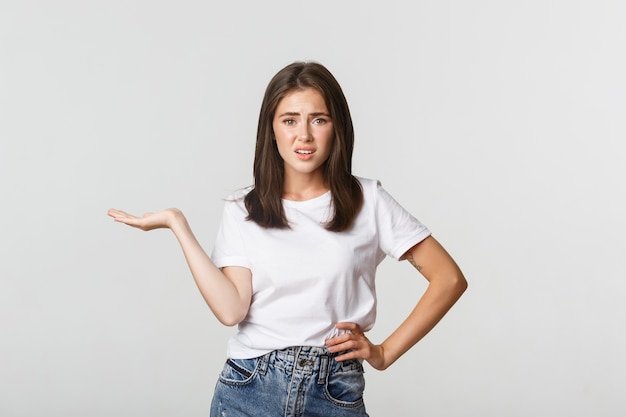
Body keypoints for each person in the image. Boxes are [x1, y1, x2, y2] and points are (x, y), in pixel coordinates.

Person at [107, 61, 467, 417]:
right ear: (272, 129)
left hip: (334, 389)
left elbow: (449, 279)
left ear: (336, 127)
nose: (304, 135)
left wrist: (384, 353)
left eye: (319, 120)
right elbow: (231, 310)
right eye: (290, 120)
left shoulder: (368, 201)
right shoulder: (242, 208)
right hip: (249, 389)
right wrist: (177, 224)